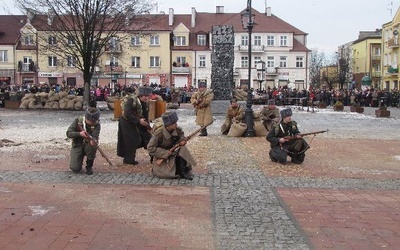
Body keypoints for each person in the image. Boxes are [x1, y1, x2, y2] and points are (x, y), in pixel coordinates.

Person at [147, 111, 196, 180]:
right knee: (165, 174)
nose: (176, 124)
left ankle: (183, 172)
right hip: (162, 155)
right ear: (168, 125)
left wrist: (181, 141)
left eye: (176, 122)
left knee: (183, 148)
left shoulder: (177, 129)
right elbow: (150, 148)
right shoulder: (159, 133)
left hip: (174, 152)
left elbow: (181, 135)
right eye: (173, 123)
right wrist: (166, 153)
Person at [117, 86, 153, 165]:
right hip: (126, 122)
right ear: (140, 95)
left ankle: (154, 157)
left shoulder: (145, 104)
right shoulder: (131, 100)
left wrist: (147, 126)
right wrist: (138, 121)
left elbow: (145, 115)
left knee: (148, 137)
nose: (147, 98)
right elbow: (127, 113)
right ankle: (128, 159)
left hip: (139, 121)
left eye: (148, 96)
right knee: (130, 140)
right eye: (145, 96)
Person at [66, 107, 101, 175]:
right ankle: (79, 160)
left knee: (93, 146)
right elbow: (68, 133)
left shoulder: (97, 124)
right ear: (87, 118)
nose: (93, 122)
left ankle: (89, 166)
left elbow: (95, 135)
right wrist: (79, 134)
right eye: (91, 121)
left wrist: (93, 140)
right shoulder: (78, 121)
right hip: (78, 145)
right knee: (75, 168)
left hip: (88, 145)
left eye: (94, 121)